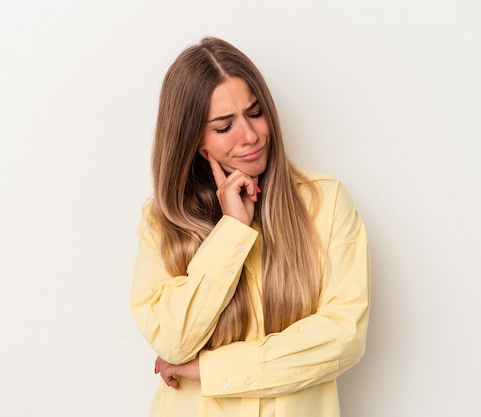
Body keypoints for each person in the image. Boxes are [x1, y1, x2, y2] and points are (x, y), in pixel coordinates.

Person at [130, 37, 370, 417]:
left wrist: (213, 371)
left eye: (255, 113)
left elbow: (343, 336)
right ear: (193, 142)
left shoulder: (326, 203)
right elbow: (172, 339)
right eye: (224, 126)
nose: (251, 135)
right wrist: (232, 232)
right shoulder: (163, 221)